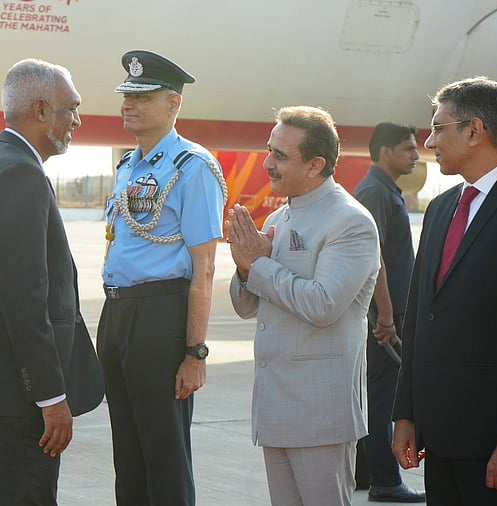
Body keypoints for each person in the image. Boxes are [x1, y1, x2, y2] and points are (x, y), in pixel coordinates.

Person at [0, 58, 104, 505]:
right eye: (72, 108)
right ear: (42, 111)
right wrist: (50, 397)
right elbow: (24, 296)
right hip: (16, 394)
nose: (77, 120)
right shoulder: (18, 173)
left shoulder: (0, 163)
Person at [392, 77, 497, 504]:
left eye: (438, 127)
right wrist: (406, 414)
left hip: (496, 439)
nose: (429, 141)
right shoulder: (441, 208)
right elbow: (418, 319)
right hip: (439, 431)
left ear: (474, 131)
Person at [226, 106, 379, 505]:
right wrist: (246, 268)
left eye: (280, 155)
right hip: (277, 408)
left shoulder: (349, 222)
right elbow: (248, 306)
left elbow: (323, 304)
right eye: (269, 150)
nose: (267, 163)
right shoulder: (281, 215)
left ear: (316, 165)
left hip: (319, 415)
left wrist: (257, 264)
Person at [99, 49, 227, 505]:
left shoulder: (193, 168)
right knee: (128, 453)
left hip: (160, 317)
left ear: (173, 103)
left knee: (164, 451)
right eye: (126, 96)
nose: (128, 105)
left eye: (142, 96)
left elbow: (205, 268)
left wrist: (195, 352)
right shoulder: (128, 166)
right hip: (117, 313)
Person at [352, 122, 425, 502]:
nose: (416, 155)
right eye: (409, 149)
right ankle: (384, 479)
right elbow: (372, 256)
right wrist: (385, 315)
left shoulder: (382, 190)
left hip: (388, 314)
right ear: (386, 153)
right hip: (384, 318)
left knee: (374, 396)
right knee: (383, 400)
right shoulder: (375, 192)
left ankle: (365, 473)